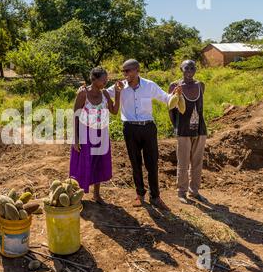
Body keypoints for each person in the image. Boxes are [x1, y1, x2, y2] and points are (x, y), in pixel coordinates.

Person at [107, 60, 182, 211]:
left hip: (148, 128)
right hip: (130, 128)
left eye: (127, 71)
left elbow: (166, 99)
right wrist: (86, 89)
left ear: (137, 70)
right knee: (135, 163)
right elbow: (101, 93)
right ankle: (140, 194)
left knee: (152, 163)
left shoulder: (149, 85)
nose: (125, 74)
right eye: (123, 71)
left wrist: (176, 94)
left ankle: (155, 197)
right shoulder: (120, 87)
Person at [70, 67, 123, 205]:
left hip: (102, 133)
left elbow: (114, 111)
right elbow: (75, 115)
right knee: (84, 163)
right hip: (85, 133)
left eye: (107, 79)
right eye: (103, 79)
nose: (106, 81)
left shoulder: (105, 94)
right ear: (94, 79)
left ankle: (96, 194)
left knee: (99, 162)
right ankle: (78, 195)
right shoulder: (83, 94)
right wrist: (75, 139)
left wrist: (117, 93)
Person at [169, 60, 208, 204]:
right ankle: (181, 191)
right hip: (183, 130)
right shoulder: (175, 86)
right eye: (187, 68)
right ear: (181, 69)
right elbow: (171, 109)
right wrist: (176, 127)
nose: (190, 70)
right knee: (183, 162)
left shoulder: (200, 85)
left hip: (200, 129)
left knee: (197, 162)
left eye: (193, 67)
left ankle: (194, 191)